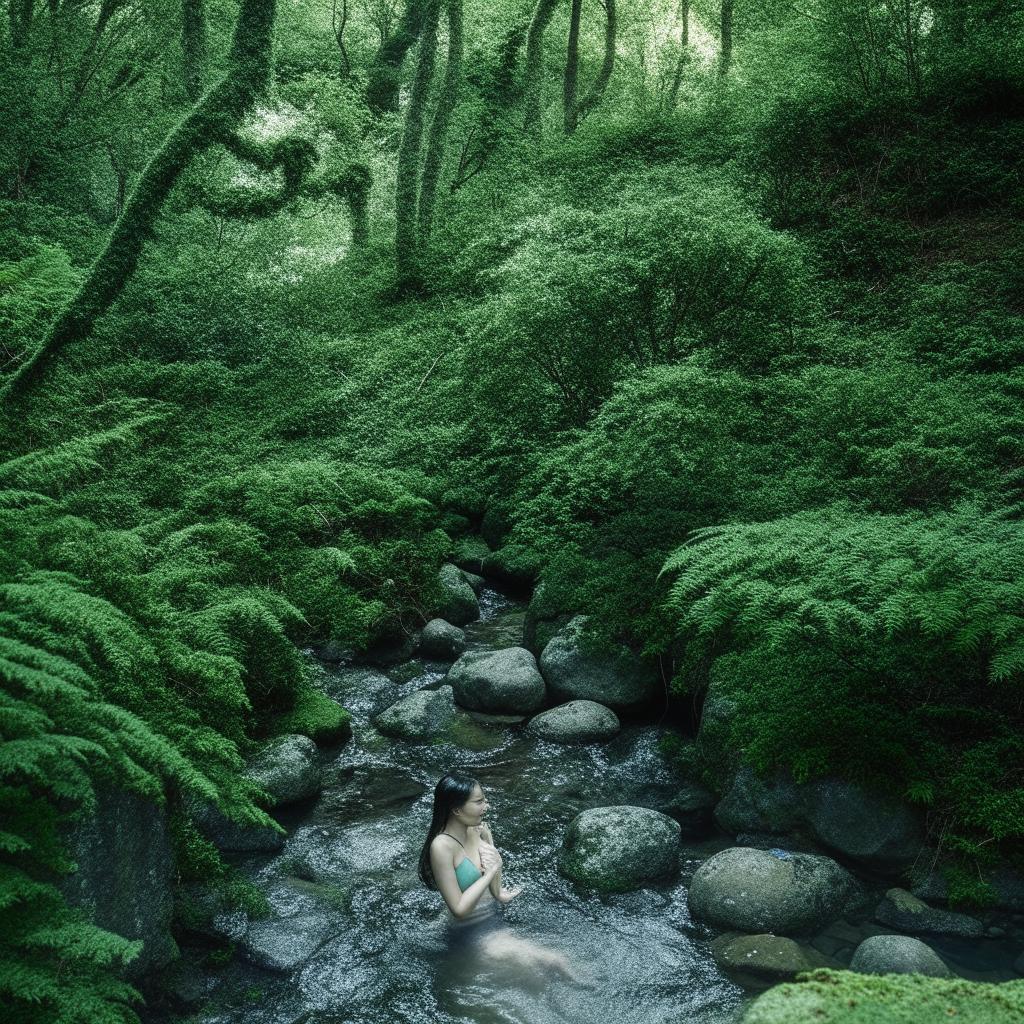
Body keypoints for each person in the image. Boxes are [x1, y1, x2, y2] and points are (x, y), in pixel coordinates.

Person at [418, 771, 575, 977]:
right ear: (456, 809)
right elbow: (458, 909)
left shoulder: (476, 829)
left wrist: (499, 892)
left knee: (556, 963)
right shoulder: (442, 846)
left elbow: (494, 875)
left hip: (494, 917)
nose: (487, 806)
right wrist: (490, 873)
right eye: (479, 801)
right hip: (471, 932)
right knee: (555, 961)